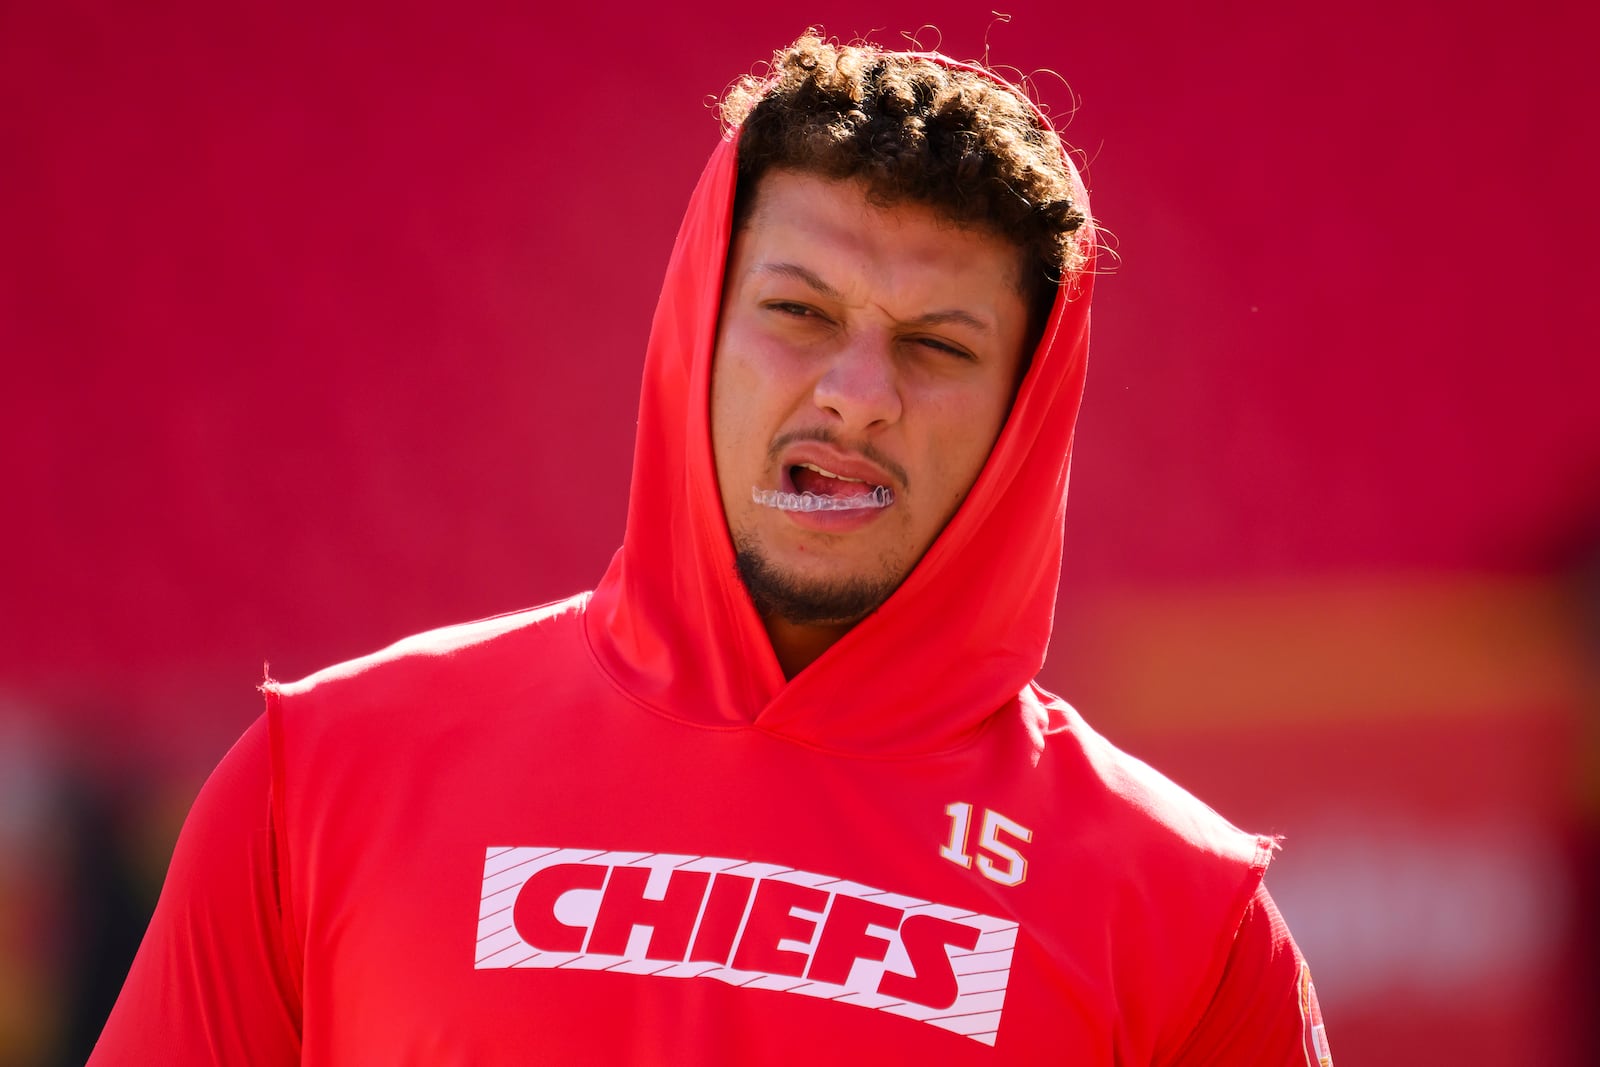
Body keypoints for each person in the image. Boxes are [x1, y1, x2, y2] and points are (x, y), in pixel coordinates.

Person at [90, 32, 1331, 1065]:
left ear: (1026, 409)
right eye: (799, 311)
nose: (856, 393)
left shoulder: (1181, 917)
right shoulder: (321, 781)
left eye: (937, 345)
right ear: (700, 326)